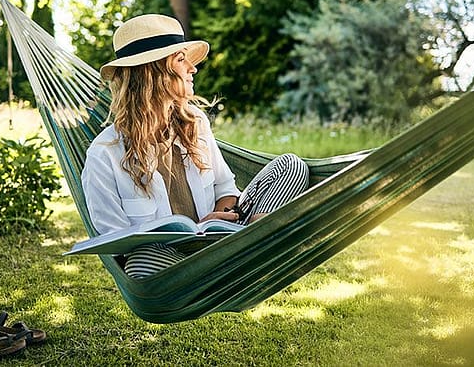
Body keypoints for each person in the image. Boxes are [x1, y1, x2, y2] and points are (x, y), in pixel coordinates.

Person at [82, 14, 309, 278]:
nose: (193, 68)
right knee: (141, 263)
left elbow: (225, 188)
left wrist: (218, 219)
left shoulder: (196, 122)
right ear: (152, 73)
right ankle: (244, 261)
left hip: (221, 242)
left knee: (290, 166)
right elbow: (117, 244)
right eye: (181, 60)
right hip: (172, 262)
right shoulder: (104, 155)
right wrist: (191, 232)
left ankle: (250, 247)